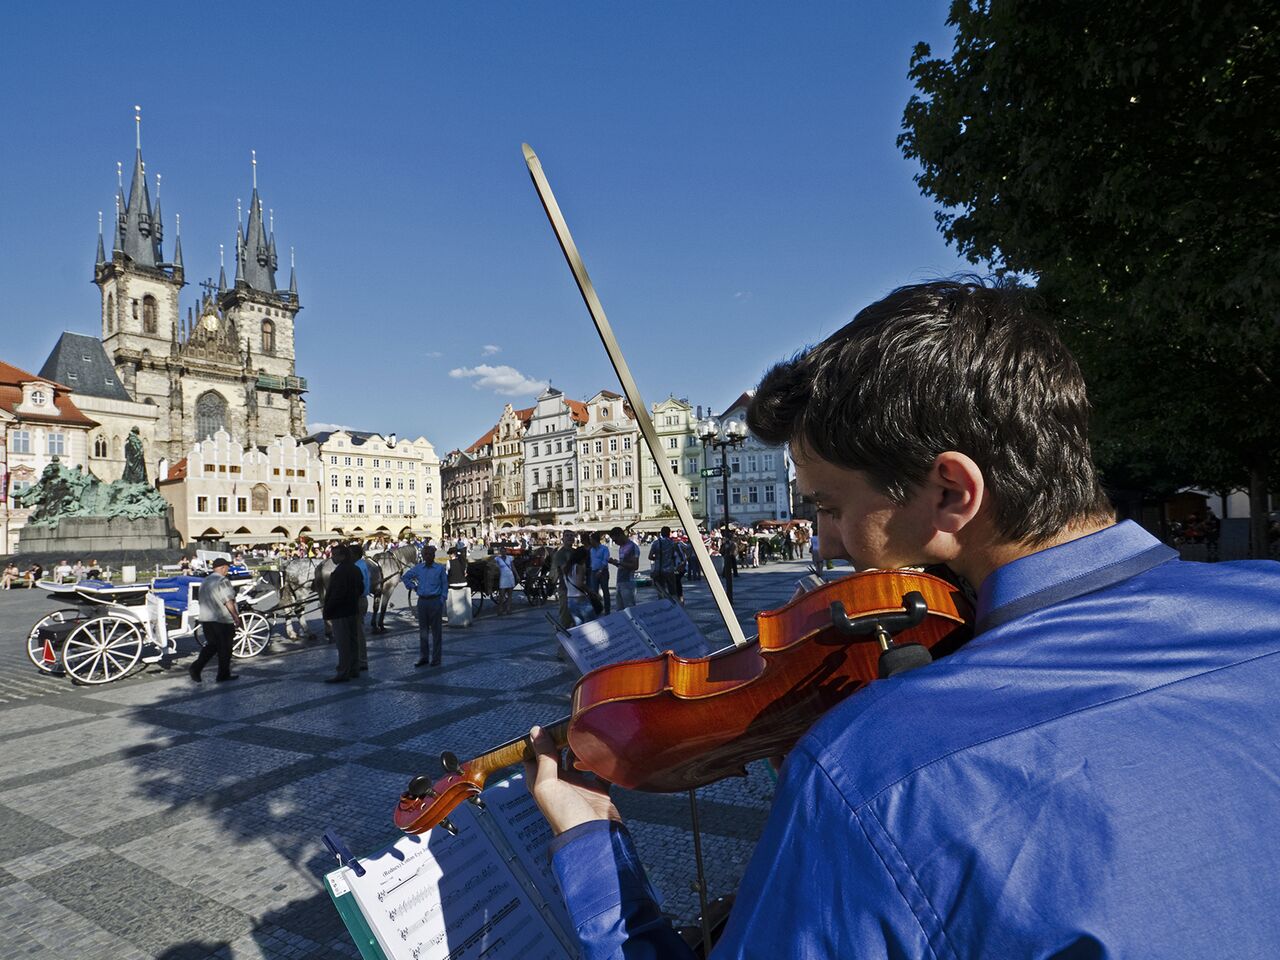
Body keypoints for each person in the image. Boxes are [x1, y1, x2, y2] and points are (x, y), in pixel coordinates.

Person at [524, 280, 1280, 959]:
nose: (823, 540)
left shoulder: (874, 768)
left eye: (830, 507)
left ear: (952, 492)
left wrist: (593, 848)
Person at [189, 556, 241, 683]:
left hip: (206, 619)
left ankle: (196, 667)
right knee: (226, 648)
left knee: (212, 646)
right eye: (227, 568)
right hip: (221, 619)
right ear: (223, 568)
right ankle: (222, 675)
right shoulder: (222, 580)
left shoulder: (205, 581)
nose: (228, 570)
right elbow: (228, 600)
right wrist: (235, 616)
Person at [322, 544, 364, 683]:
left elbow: (336, 594)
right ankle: (354, 669)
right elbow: (361, 588)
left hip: (340, 611)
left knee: (342, 644)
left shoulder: (340, 572)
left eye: (334, 555)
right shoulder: (356, 569)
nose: (332, 557)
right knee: (352, 641)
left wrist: (328, 609)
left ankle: (343, 672)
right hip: (352, 609)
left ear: (343, 556)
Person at [402, 545, 448, 667]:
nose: (428, 557)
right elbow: (405, 577)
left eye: (430, 554)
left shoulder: (439, 569)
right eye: (425, 554)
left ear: (433, 556)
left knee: (436, 631)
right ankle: (424, 657)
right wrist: (413, 586)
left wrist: (442, 600)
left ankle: (436, 658)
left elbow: (445, 585)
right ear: (423, 556)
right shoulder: (418, 568)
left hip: (435, 601)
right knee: (423, 631)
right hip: (422, 601)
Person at [548, 530, 576, 629]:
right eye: (567, 536)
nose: (570, 537)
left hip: (576, 588)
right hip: (565, 588)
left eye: (572, 536)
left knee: (575, 615)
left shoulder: (575, 552)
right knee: (565, 614)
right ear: (562, 539)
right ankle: (564, 636)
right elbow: (565, 570)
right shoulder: (560, 554)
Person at [352, 543, 372, 674]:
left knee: (357, 632)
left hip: (356, 600)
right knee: (358, 631)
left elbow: (357, 586)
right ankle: (360, 660)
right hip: (362, 599)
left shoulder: (356, 566)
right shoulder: (363, 564)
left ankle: (361, 661)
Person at [608, 527, 639, 610]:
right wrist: (615, 563)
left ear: (620, 535)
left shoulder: (632, 547)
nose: (615, 543)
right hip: (620, 581)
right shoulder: (621, 547)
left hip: (628, 582)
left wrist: (618, 562)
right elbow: (623, 565)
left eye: (615, 540)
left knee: (629, 609)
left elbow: (635, 566)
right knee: (620, 610)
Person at [563, 546, 596, 626]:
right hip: (580, 599)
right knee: (591, 624)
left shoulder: (567, 567)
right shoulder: (579, 567)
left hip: (570, 599)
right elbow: (579, 583)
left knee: (579, 626)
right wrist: (590, 591)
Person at [647, 526, 680, 600]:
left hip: (659, 571)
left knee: (661, 591)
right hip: (669, 570)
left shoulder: (656, 543)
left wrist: (658, 558)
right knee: (672, 591)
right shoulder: (672, 543)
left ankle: (662, 605)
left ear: (661, 533)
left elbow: (650, 557)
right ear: (669, 533)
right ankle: (674, 606)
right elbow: (675, 556)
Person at [588, 531, 612, 615]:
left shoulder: (604, 548)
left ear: (595, 540)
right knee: (594, 591)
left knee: (605, 591)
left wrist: (600, 570)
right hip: (594, 571)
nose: (590, 541)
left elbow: (605, 560)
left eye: (591, 540)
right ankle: (597, 609)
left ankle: (607, 609)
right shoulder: (591, 550)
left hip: (603, 571)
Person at [495, 546, 516, 614]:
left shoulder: (509, 558)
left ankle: (508, 609)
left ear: (506, 552)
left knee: (510, 595)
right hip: (503, 577)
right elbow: (495, 566)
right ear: (500, 552)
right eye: (502, 551)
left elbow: (513, 567)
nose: (503, 552)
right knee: (502, 594)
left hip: (510, 576)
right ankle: (500, 609)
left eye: (504, 551)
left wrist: (517, 575)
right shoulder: (497, 559)